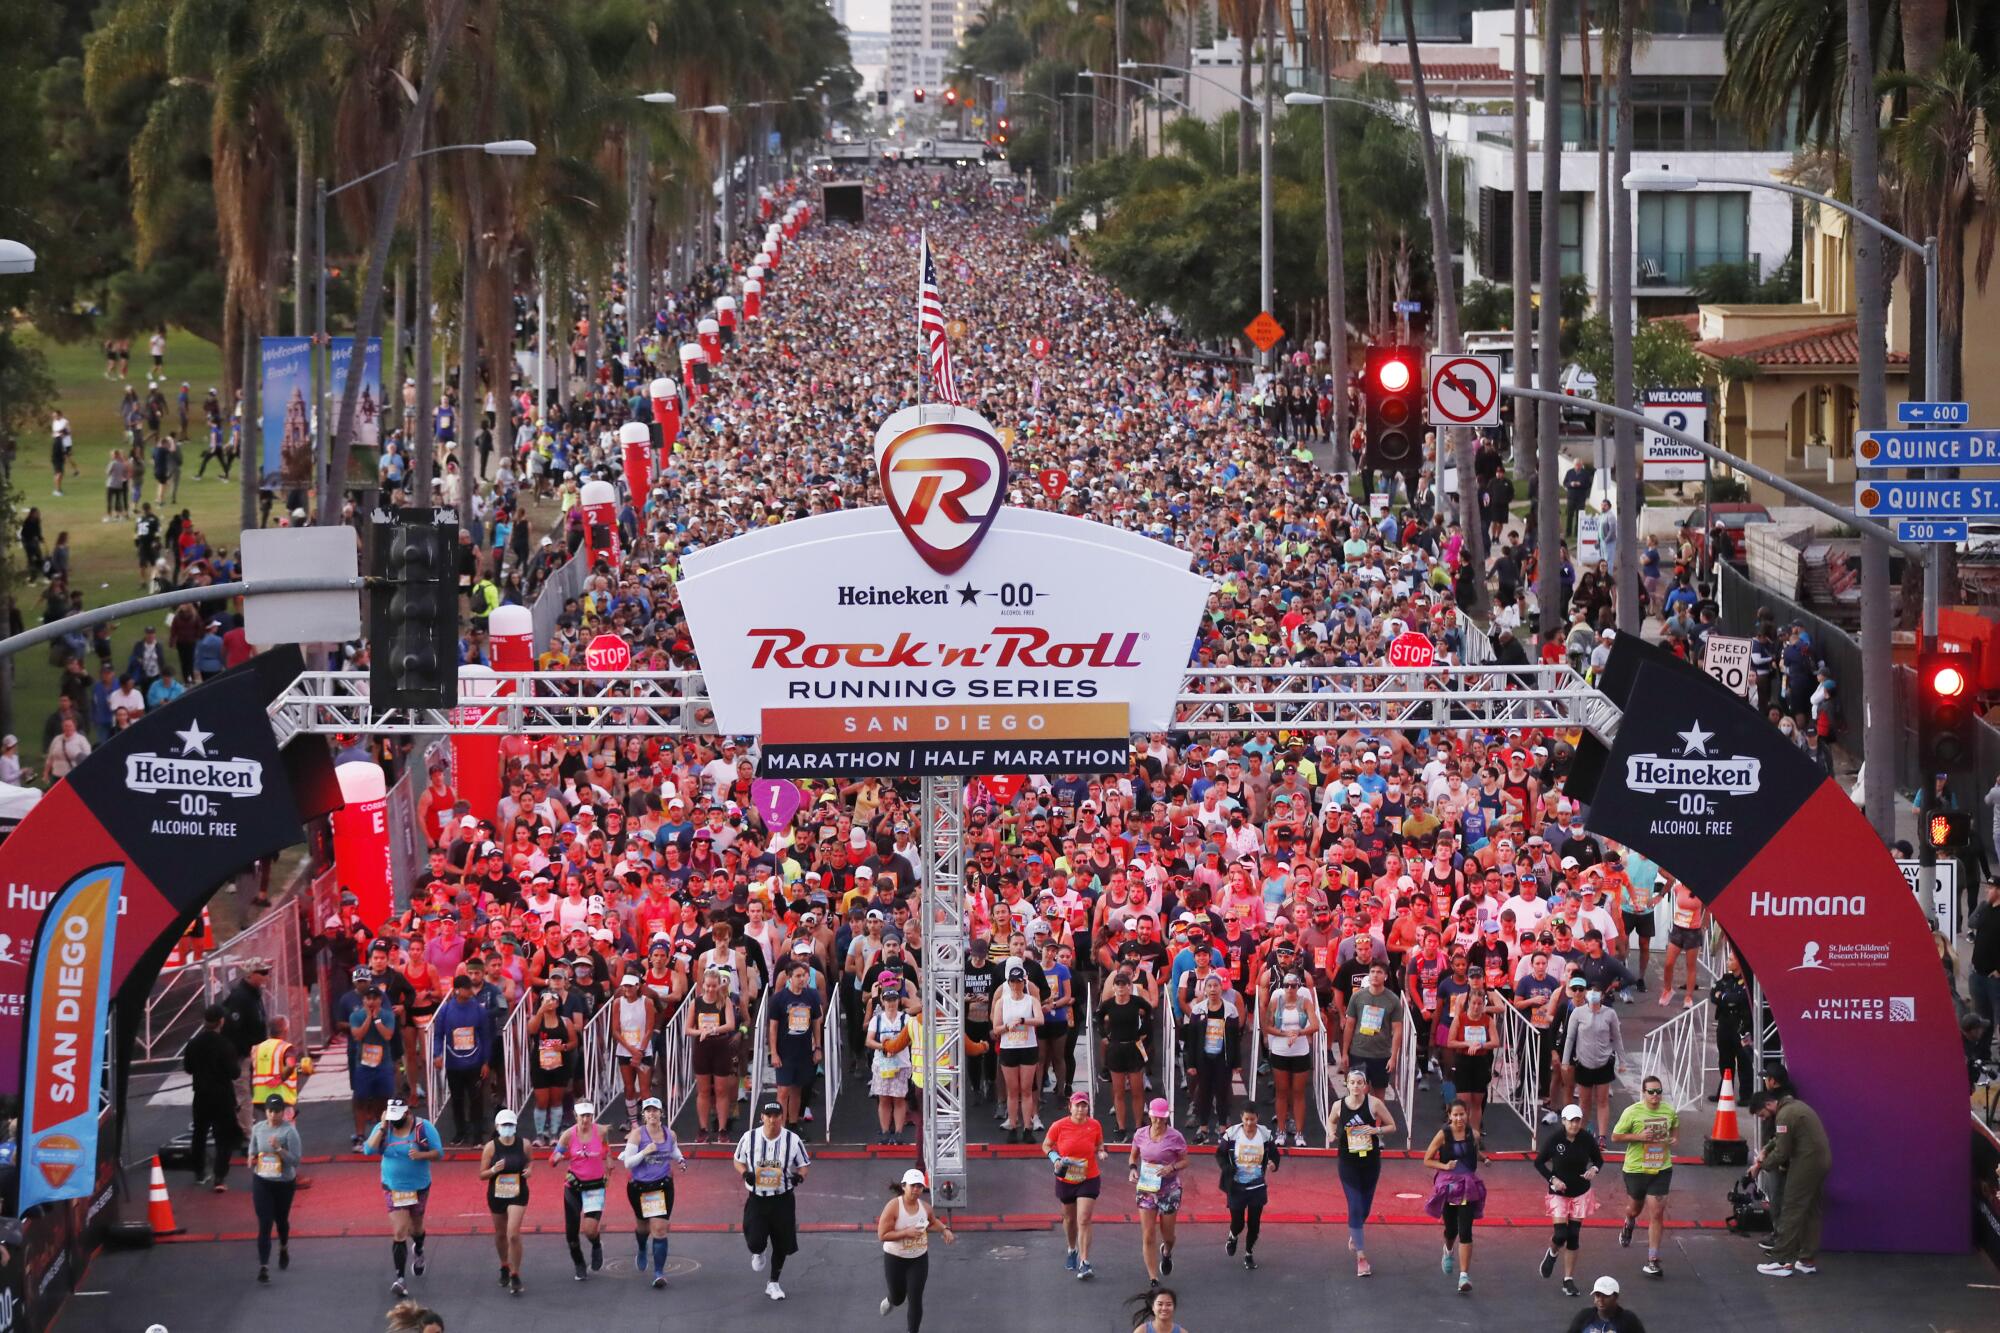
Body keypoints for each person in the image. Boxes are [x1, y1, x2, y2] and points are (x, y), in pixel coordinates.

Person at [1753, 1066, 1830, 1277]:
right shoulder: (1794, 1107)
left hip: (1806, 1163)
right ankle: (1806, 1259)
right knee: (1812, 1210)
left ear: (1769, 1104)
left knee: (1791, 1208)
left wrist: (1760, 1166)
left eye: (1762, 1115)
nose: (1763, 1119)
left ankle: (1781, 1260)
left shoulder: (1784, 1116)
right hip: (1820, 1161)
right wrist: (1765, 1151)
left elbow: (1782, 1151)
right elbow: (1779, 1140)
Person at [362, 1099, 442, 1299]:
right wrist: (381, 1127)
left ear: (407, 1113)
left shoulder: (424, 1128)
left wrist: (421, 1155)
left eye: (397, 1118)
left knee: (416, 1228)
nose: (394, 1122)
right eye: (391, 1118)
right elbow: (368, 1150)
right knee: (399, 1231)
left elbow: (438, 1153)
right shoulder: (384, 1129)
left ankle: (419, 1248)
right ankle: (400, 1278)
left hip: (419, 1186)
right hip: (393, 1187)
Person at [736, 1100, 811, 1300]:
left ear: (782, 1118)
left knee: (782, 1243)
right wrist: (745, 1174)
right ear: (762, 1117)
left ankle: (774, 1282)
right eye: (768, 1116)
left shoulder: (793, 1140)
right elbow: (738, 1160)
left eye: (776, 1116)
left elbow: (804, 1165)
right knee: (754, 1240)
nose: (772, 1120)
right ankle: (758, 1251)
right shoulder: (749, 1138)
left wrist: (799, 1176)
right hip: (758, 1198)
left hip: (782, 1199)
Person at [1611, 1075, 1678, 1277]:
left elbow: (1675, 1125)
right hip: (1636, 1169)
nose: (1655, 1096)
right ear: (1643, 1093)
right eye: (1651, 1092)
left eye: (1659, 1092)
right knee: (1634, 1209)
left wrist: (1674, 1138)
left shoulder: (1668, 1110)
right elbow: (1615, 1136)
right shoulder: (1632, 1112)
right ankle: (1629, 1223)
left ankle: (1652, 1259)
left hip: (1661, 1167)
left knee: (1657, 1213)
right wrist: (1639, 1137)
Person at [1535, 1103, 1604, 1298]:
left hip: (1580, 1192)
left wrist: (1594, 1170)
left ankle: (1568, 1279)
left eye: (1577, 1121)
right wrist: (1553, 1179)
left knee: (1573, 1235)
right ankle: (1552, 1253)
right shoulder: (1555, 1140)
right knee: (1560, 1233)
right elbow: (1539, 1162)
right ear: (1563, 1121)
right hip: (1559, 1193)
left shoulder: (1586, 1139)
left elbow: (1598, 1160)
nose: (1574, 1125)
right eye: (1570, 1121)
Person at [1332, 1066, 1395, 1276]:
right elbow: (1331, 1121)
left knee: (1365, 1208)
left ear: (1366, 1085)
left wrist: (1375, 1130)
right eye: (1352, 1082)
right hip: (1348, 1162)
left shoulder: (1374, 1103)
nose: (1356, 1086)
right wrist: (1332, 1133)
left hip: (1370, 1161)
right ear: (1347, 1084)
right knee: (1356, 1206)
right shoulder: (1339, 1105)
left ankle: (1355, 1229)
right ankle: (1361, 1258)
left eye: (1360, 1083)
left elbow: (1392, 1125)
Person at [621, 1096, 686, 1289]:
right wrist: (644, 1152)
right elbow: (627, 1163)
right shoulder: (637, 1135)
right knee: (643, 1227)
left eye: (655, 1110)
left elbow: (674, 1151)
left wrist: (681, 1161)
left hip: (662, 1186)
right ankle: (642, 1247)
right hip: (640, 1187)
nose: (652, 1114)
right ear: (643, 1115)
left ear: (661, 1114)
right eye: (648, 1111)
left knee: (659, 1229)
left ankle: (659, 1273)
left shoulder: (669, 1134)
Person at [877, 1167, 953, 1331]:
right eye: (913, 1186)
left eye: (920, 1187)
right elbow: (882, 1235)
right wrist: (906, 1233)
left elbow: (932, 1222)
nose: (916, 1190)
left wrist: (944, 1229)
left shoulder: (925, 1208)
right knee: (899, 1297)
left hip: (918, 1259)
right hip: (895, 1258)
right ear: (904, 1186)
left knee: (915, 1297)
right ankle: (891, 1300)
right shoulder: (893, 1207)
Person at [1421, 1098, 1485, 1294]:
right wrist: (1444, 1166)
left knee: (1466, 1230)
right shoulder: (1443, 1134)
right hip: (1449, 1185)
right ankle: (1448, 1250)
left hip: (1468, 1185)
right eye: (1455, 1115)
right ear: (1449, 1116)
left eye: (1462, 1114)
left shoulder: (1473, 1134)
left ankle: (1464, 1275)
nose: (1459, 1118)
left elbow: (1475, 1152)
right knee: (1451, 1229)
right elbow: (1427, 1160)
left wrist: (1485, 1158)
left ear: (1467, 1115)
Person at [1041, 1090, 1105, 1279]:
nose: (1081, 1109)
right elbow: (1046, 1145)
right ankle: (1072, 1250)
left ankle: (1085, 1262)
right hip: (1066, 1178)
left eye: (1084, 1105)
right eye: (1077, 1105)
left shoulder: (1094, 1125)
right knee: (1069, 1220)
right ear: (1070, 1107)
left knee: (1083, 1218)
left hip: (1089, 1176)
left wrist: (1101, 1152)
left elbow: (1099, 1144)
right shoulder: (1059, 1126)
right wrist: (1055, 1158)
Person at [1129, 1097, 1188, 1287]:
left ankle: (1167, 1252)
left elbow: (1185, 1161)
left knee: (1168, 1235)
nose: (1158, 1121)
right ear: (1150, 1115)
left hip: (1169, 1189)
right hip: (1147, 1188)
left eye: (1162, 1118)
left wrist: (1171, 1167)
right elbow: (1133, 1156)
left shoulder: (1175, 1137)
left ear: (1167, 1117)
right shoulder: (1140, 1134)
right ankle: (1153, 1277)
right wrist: (1132, 1169)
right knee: (1148, 1235)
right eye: (1155, 1117)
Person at [182, 1004, 241, 1191]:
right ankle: (220, 1176)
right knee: (224, 1137)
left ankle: (199, 1172)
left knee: (199, 1133)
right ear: (220, 1022)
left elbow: (188, 1068)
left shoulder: (193, 1043)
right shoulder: (225, 1045)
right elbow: (234, 1073)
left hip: (201, 1094)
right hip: (222, 1095)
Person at [551, 1099, 610, 1280]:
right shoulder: (568, 1135)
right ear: (575, 1116)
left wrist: (608, 1163)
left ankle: (596, 1244)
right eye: (582, 1116)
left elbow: (606, 1149)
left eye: (589, 1116)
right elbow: (552, 1159)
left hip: (595, 1186)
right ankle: (579, 1263)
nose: (585, 1120)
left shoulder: (601, 1131)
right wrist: (556, 1158)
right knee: (572, 1232)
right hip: (574, 1185)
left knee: (590, 1229)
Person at [1216, 1104, 1278, 1271]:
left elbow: (1274, 1153)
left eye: (1252, 1119)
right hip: (1236, 1186)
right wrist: (1227, 1168)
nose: (1249, 1123)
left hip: (1257, 1186)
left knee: (1254, 1223)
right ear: (1242, 1118)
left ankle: (1249, 1253)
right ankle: (1233, 1236)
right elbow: (1220, 1154)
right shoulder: (1232, 1133)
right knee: (1238, 1223)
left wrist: (1273, 1163)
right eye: (1246, 1119)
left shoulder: (1265, 1134)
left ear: (1257, 1118)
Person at [248, 1093, 301, 1282]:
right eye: (270, 1111)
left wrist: (279, 1148)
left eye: (277, 1112)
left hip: (284, 1182)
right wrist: (251, 1158)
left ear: (282, 1113)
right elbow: (253, 1150)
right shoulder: (257, 1129)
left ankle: (283, 1246)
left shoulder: (289, 1132)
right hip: (262, 1180)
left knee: (281, 1220)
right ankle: (263, 1266)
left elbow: (295, 1161)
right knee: (264, 1223)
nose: (273, 1115)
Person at [1561, 981, 1623, 1140]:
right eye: (1591, 992)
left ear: (1602, 996)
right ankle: (1580, 1134)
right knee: (1584, 1101)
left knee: (1602, 1101)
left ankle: (1602, 1136)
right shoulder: (1578, 1013)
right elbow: (1570, 1037)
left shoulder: (1610, 1014)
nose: (1593, 996)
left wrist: (1622, 1061)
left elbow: (1617, 1038)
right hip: (1583, 1062)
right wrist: (1565, 1061)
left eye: (1597, 993)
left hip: (1604, 1063)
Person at [1262, 971, 1318, 1147]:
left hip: (1300, 1051)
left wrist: (1299, 1032)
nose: (1290, 989)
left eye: (1293, 985)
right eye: (1286, 985)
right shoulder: (1275, 1002)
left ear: (1298, 986)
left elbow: (1315, 1025)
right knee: (1281, 1092)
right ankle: (1280, 1130)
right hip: (1280, 1051)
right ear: (1282, 987)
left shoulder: (1305, 1002)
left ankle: (1299, 1133)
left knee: (1299, 1093)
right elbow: (1267, 1026)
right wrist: (1284, 1033)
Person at [479, 1108, 531, 1296]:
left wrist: (529, 1170)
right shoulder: (491, 1147)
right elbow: (482, 1174)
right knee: (501, 1234)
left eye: (510, 1125)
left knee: (513, 1234)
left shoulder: (524, 1144)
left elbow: (529, 1162)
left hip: (518, 1192)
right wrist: (493, 1170)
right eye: (504, 1125)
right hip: (497, 1193)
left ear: (515, 1126)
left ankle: (515, 1274)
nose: (507, 1128)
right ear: (497, 1127)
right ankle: (504, 1265)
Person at [994, 960, 1044, 1141]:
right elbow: (996, 1028)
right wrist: (1008, 1026)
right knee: (1012, 1090)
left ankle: (1028, 1127)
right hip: (1009, 1048)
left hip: (1028, 1047)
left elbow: (1040, 1020)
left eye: (1019, 982)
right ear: (1009, 983)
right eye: (1013, 982)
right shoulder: (1002, 1001)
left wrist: (1023, 1021)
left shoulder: (1031, 1000)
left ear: (1024, 982)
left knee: (1026, 1090)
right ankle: (1013, 1125)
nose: (1016, 985)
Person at [866, 972, 916, 1144]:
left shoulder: (906, 1019)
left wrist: (898, 1046)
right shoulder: (877, 1020)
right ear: (882, 1001)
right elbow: (869, 1041)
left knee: (899, 1099)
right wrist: (885, 1047)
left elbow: (911, 1038)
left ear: (898, 1001)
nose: (891, 1003)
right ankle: (885, 1131)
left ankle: (899, 1133)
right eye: (888, 1000)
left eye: (894, 999)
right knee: (884, 1098)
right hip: (882, 1065)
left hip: (901, 1064)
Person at [1341, 960, 1404, 1096]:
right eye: (1372, 972)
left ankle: (1377, 1119)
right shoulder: (1357, 997)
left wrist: (1393, 1057)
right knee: (1357, 1093)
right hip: (1358, 1052)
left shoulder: (1393, 1000)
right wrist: (1345, 1053)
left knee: (1379, 1095)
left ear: (1385, 976)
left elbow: (1398, 1030)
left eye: (1379, 972)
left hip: (1381, 1054)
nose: (1375, 975)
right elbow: (1349, 1026)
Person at [1565, 1274, 1647, 1332]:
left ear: (1616, 1297)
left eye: (1606, 1296)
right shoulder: (1584, 1316)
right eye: (1597, 1295)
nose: (1600, 1299)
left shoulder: (1628, 1320)